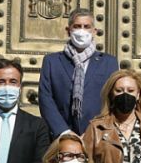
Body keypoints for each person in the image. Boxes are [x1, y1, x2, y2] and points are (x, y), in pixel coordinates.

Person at [38, 7, 118, 137]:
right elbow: (45, 98)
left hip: (98, 136)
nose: (82, 31)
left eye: (86, 26)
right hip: (61, 136)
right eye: (77, 26)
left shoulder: (109, 63)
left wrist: (94, 131)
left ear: (94, 31)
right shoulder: (52, 61)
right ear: (68, 30)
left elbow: (112, 101)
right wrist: (63, 131)